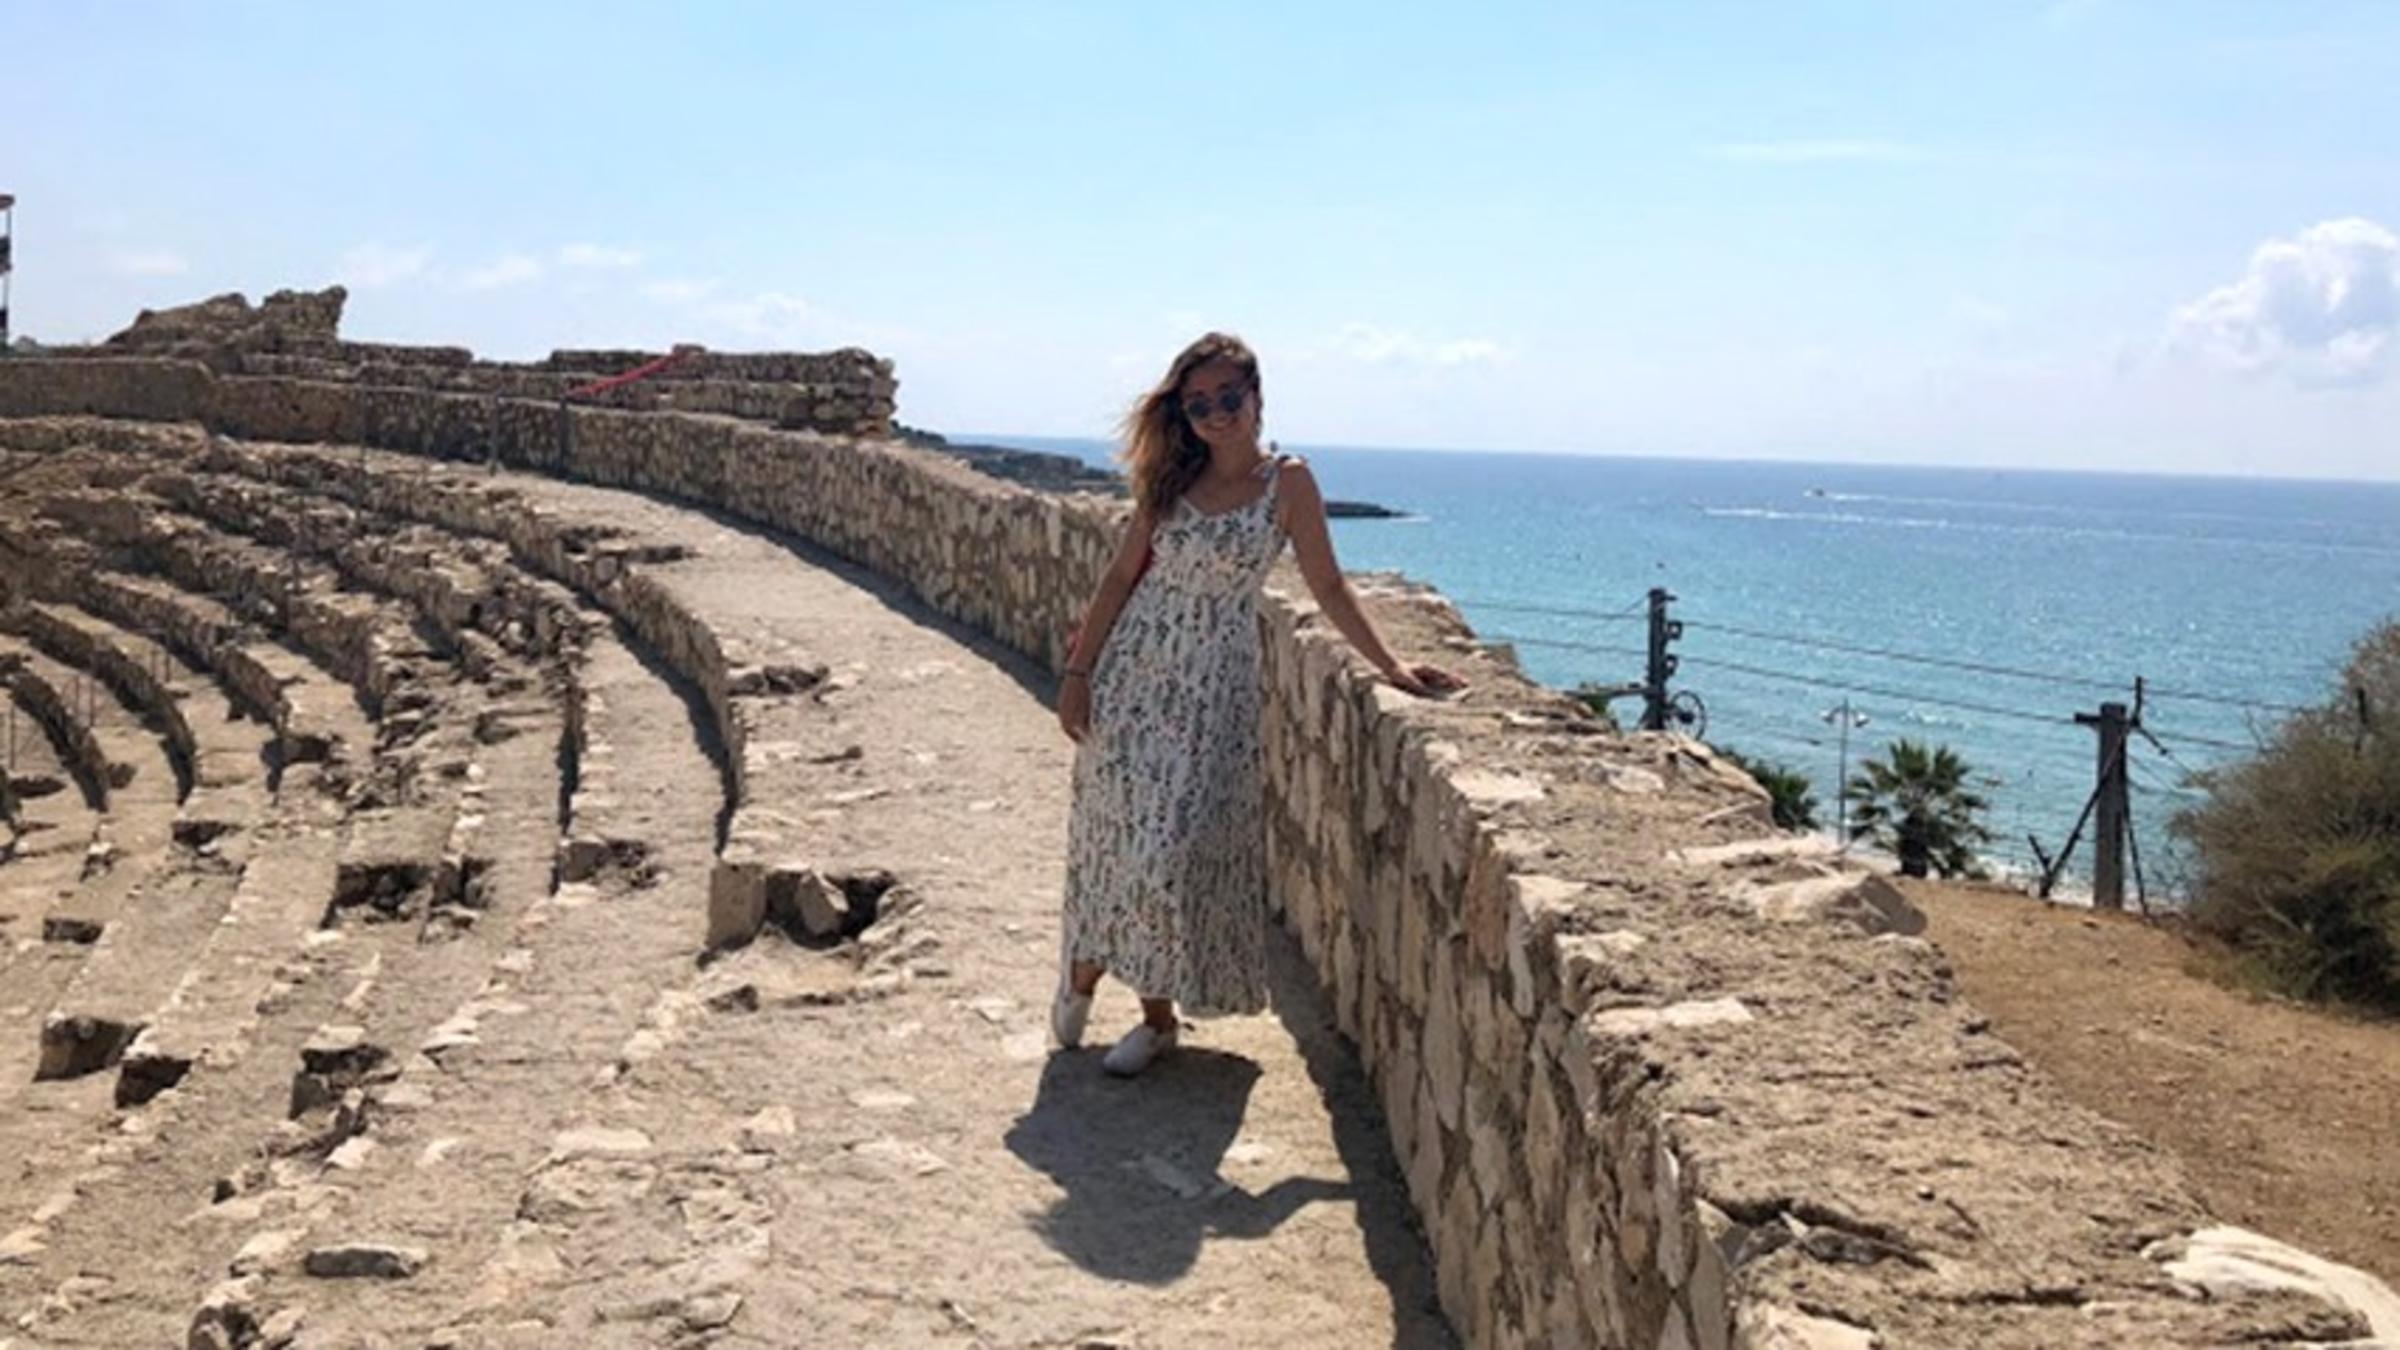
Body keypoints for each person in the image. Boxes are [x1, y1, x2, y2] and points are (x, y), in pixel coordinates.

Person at [1054, 332, 1467, 1076]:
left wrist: (1393, 664)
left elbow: (1329, 586)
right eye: (1199, 402)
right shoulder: (1168, 481)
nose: (1215, 413)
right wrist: (1080, 674)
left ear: (1257, 398)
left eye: (1228, 398)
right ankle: (1093, 972)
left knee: (1172, 849)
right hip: (1134, 675)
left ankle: (1146, 1010)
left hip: (1216, 686)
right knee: (1116, 838)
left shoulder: (1290, 484)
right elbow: (1120, 580)